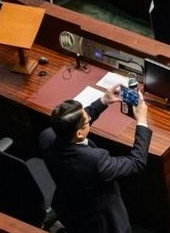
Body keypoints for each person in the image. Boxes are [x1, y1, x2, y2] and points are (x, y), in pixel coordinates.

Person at [38, 86, 151, 233]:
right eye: (87, 121)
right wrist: (142, 121)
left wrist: (104, 101)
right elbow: (136, 163)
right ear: (79, 133)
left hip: (70, 208)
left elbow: (75, 124)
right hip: (101, 222)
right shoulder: (95, 161)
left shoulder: (47, 137)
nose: (89, 117)